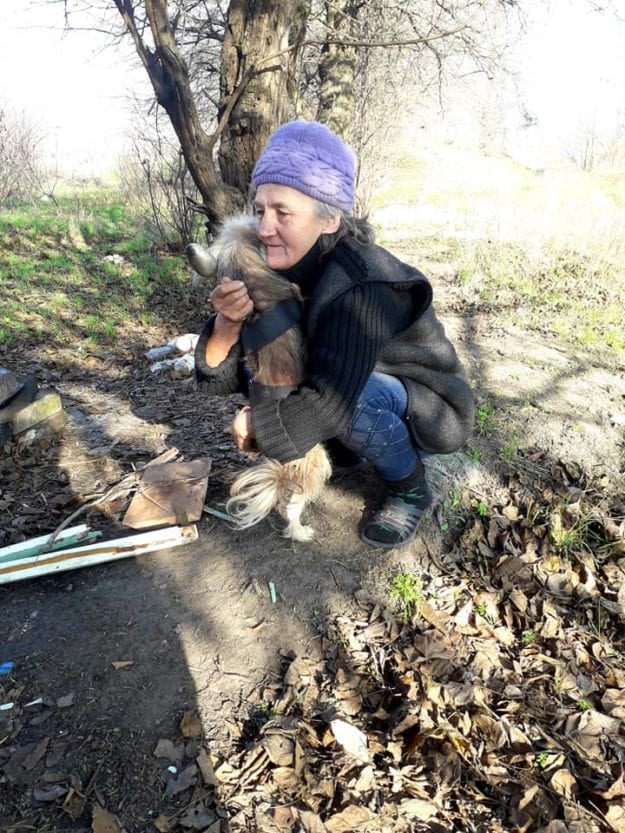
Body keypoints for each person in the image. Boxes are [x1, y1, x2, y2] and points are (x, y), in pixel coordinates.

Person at [194, 120, 474, 548]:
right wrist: (228, 325)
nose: (265, 226)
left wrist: (261, 423)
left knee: (352, 400)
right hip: (356, 385)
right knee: (286, 362)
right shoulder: (272, 264)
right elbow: (235, 376)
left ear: (329, 219)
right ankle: (350, 450)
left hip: (427, 402)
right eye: (260, 209)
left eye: (282, 212)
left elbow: (333, 400)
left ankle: (412, 489)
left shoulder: (362, 283)